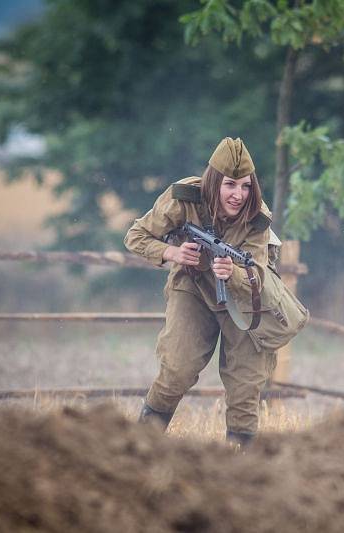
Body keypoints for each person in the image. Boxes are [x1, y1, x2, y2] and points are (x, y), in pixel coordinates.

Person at [125, 137, 277, 445]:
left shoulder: (257, 217)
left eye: (246, 186)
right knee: (176, 370)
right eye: (230, 185)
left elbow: (258, 276)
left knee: (246, 385)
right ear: (214, 181)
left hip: (244, 298)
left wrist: (234, 272)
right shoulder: (184, 197)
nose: (238, 195)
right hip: (192, 286)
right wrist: (172, 254)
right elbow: (136, 236)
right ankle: (140, 447)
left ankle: (240, 464)